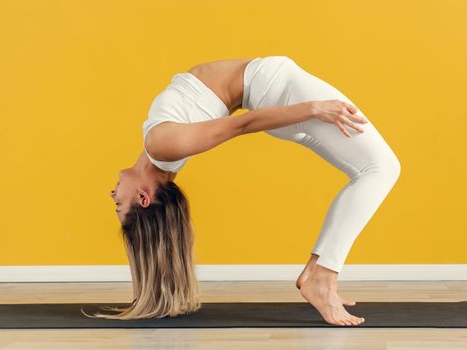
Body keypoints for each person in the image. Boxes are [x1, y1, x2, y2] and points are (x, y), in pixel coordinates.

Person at [94, 56, 400, 326]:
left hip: (272, 95)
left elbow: (156, 234)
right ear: (143, 197)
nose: (112, 195)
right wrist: (314, 108)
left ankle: (317, 272)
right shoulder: (163, 145)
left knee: (370, 170)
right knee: (382, 169)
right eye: (118, 206)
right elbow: (243, 125)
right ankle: (324, 276)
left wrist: (147, 287)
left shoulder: (164, 158)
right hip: (278, 92)